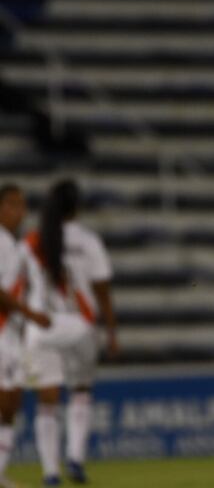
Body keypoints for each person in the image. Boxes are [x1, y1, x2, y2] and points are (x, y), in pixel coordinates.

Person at [20, 180, 117, 486]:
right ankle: (75, 457)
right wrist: (112, 330)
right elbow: (102, 290)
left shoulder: (31, 243)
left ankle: (50, 472)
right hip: (79, 327)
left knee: (47, 403)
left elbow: (17, 288)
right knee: (80, 392)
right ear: (76, 207)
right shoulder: (88, 241)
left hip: (42, 328)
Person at [0, 184, 51, 487]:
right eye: (12, 204)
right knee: (6, 405)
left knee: (10, 406)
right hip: (2, 331)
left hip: (10, 334)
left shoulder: (12, 244)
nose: (20, 211)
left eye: (22, 205)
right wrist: (31, 314)